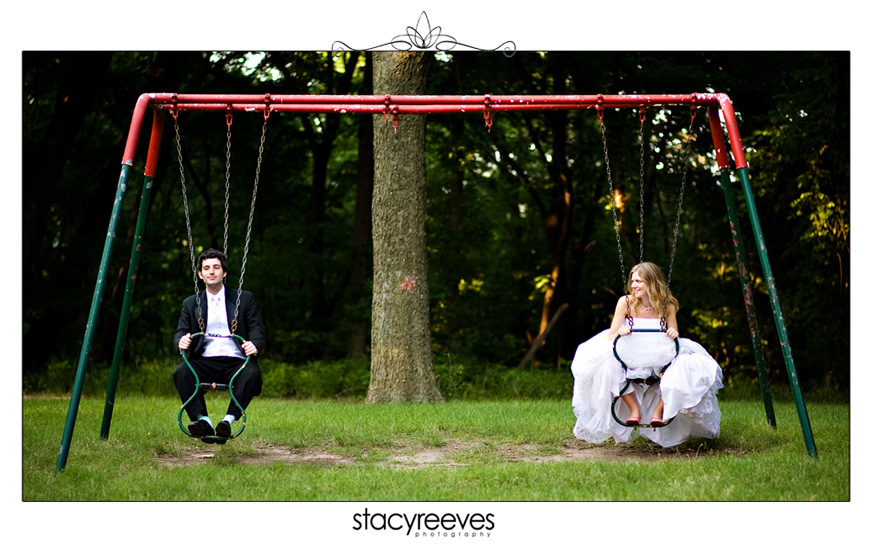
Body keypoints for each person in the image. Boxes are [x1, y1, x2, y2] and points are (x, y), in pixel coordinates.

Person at [570, 262, 723, 447]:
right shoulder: (625, 302)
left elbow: (674, 334)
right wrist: (621, 331)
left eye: (639, 281)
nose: (634, 285)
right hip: (631, 354)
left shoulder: (668, 305)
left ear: (652, 282)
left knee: (687, 366)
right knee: (607, 365)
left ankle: (658, 412)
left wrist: (673, 332)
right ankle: (634, 410)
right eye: (632, 281)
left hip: (659, 355)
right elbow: (612, 334)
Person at [173, 249, 265, 443]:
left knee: (252, 374)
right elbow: (180, 332)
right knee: (182, 373)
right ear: (200, 274)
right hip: (205, 361)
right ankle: (203, 421)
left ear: (224, 273)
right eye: (206, 268)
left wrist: (254, 345)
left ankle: (227, 421)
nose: (211, 271)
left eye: (216, 267)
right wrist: (181, 341)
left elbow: (257, 327)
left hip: (236, 361)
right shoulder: (191, 303)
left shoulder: (243, 298)